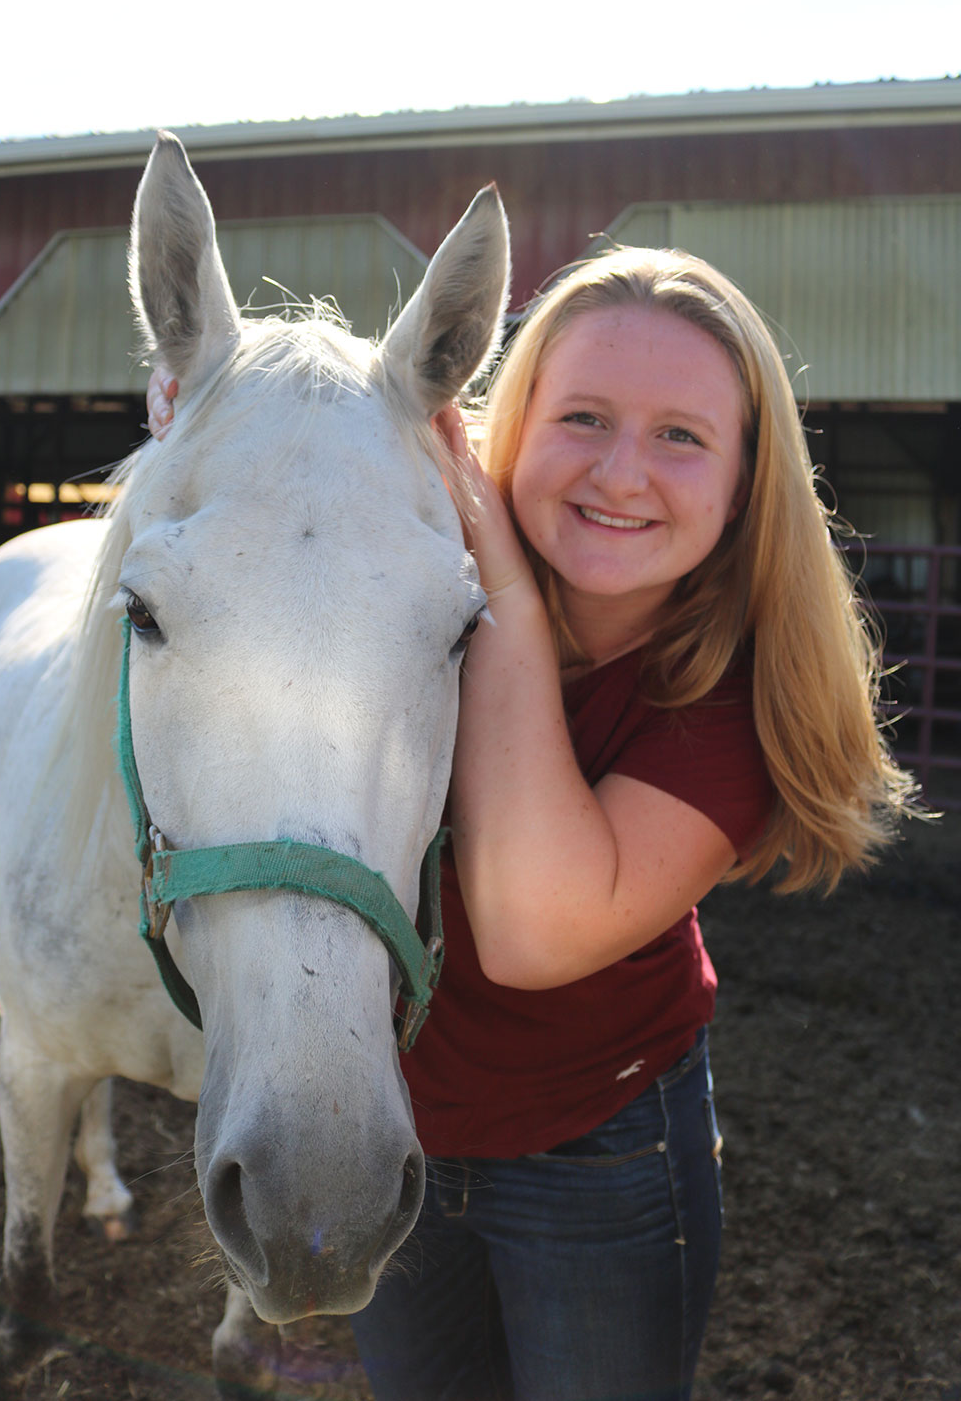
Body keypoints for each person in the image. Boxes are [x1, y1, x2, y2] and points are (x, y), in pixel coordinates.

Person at [146, 243, 915, 1401]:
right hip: (402, 1110)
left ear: (750, 474)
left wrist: (495, 574)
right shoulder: (399, 570)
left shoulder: (732, 702)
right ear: (508, 420)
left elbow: (526, 933)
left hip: (603, 1149)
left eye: (681, 436)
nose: (620, 473)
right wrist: (212, 406)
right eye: (586, 416)